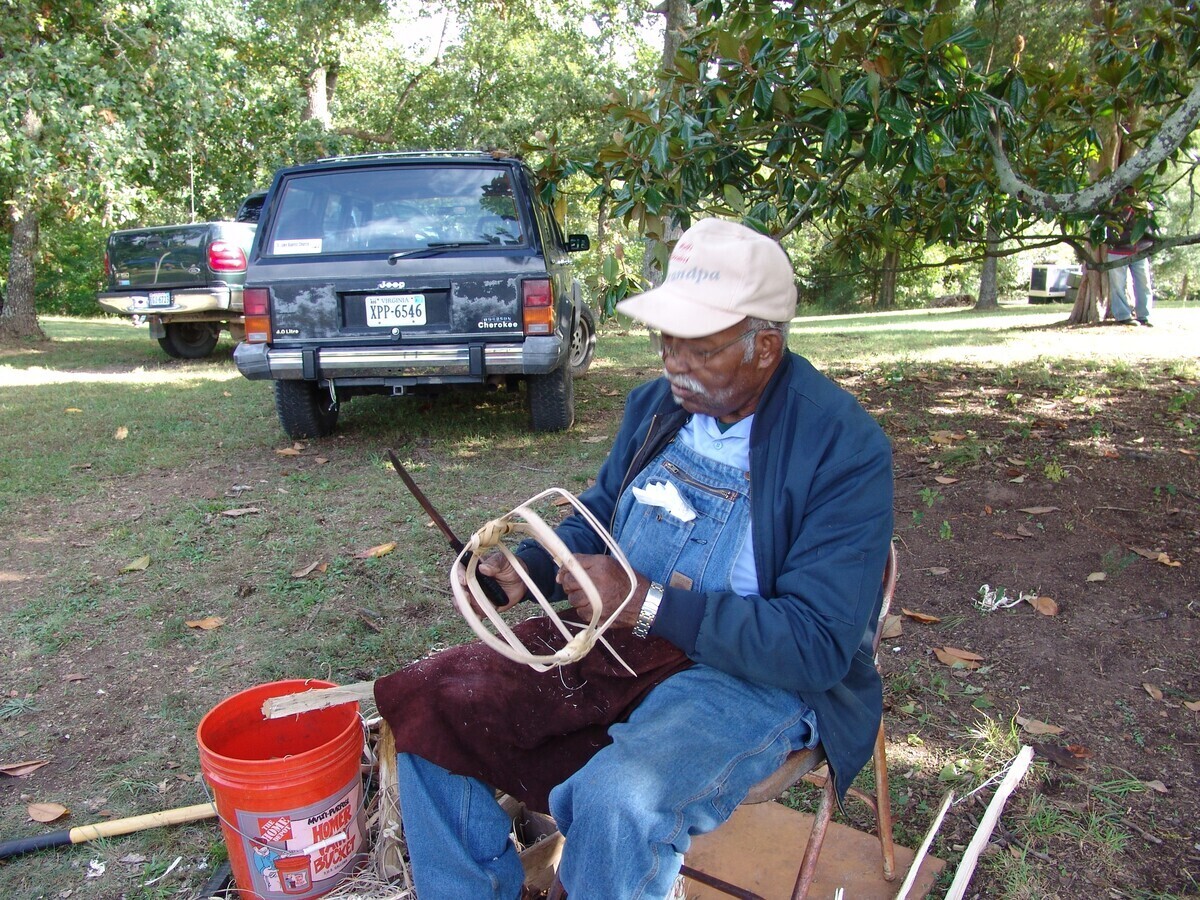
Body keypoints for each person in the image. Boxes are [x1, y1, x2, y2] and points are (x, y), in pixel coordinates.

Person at [373, 218, 895, 900]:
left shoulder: (841, 448)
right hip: (621, 640)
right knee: (428, 703)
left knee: (618, 799)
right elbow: (604, 509)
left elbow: (817, 646)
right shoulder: (657, 407)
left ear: (764, 347)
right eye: (666, 339)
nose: (673, 362)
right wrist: (528, 570)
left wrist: (648, 602)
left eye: (698, 347)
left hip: (750, 674)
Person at [1107, 197, 1156, 327]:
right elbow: (1113, 222)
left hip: (1140, 250)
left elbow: (1149, 223)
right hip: (1117, 248)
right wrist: (1126, 207)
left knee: (1144, 283)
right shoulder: (1113, 200)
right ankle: (1123, 316)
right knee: (1118, 285)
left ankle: (1144, 316)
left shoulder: (1147, 200)